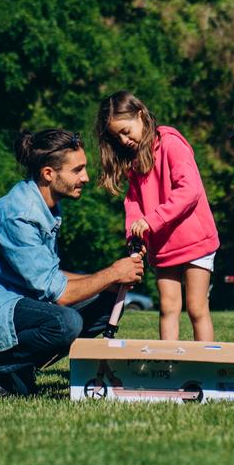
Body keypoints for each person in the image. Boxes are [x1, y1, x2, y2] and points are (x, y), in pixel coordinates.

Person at [0, 128, 144, 399]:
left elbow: (50, 277)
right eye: (77, 170)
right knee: (66, 323)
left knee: (105, 304)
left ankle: (16, 370)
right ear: (48, 174)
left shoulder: (47, 207)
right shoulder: (20, 215)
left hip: (18, 301)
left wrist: (110, 282)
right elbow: (60, 293)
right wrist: (112, 273)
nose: (86, 178)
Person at [95, 91, 219, 342]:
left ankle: (207, 372)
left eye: (126, 131)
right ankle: (169, 370)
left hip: (195, 240)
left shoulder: (172, 144)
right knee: (168, 308)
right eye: (117, 136)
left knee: (196, 308)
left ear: (140, 115)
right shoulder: (135, 162)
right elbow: (133, 204)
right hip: (163, 246)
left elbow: (190, 190)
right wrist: (134, 235)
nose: (124, 139)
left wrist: (153, 220)